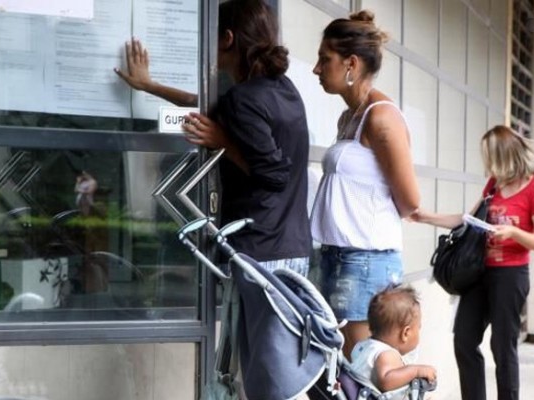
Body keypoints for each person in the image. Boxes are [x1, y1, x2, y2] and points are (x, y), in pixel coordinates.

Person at [115, 0, 312, 275]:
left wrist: (223, 143)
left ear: (227, 39)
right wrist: (150, 85)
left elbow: (274, 176)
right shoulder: (283, 89)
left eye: (211, 35)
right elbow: (207, 104)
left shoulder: (244, 98)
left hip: (258, 252)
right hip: (293, 248)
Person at [310, 9, 421, 359]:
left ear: (351, 64)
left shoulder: (381, 117)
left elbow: (410, 201)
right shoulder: (350, 117)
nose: (316, 69)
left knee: (361, 369)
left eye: (324, 59)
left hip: (364, 260)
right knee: (340, 368)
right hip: (336, 255)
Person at [411, 125, 534, 400]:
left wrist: (513, 233)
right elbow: (468, 220)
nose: (487, 163)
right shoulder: (494, 185)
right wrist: (426, 217)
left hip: (510, 275)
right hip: (479, 273)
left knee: (502, 347)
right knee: (464, 340)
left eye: (491, 156)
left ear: (505, 155)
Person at [351, 285, 437, 393]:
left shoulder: (362, 346)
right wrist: (416, 371)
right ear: (406, 333)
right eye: (418, 328)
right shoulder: (386, 353)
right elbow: (386, 382)